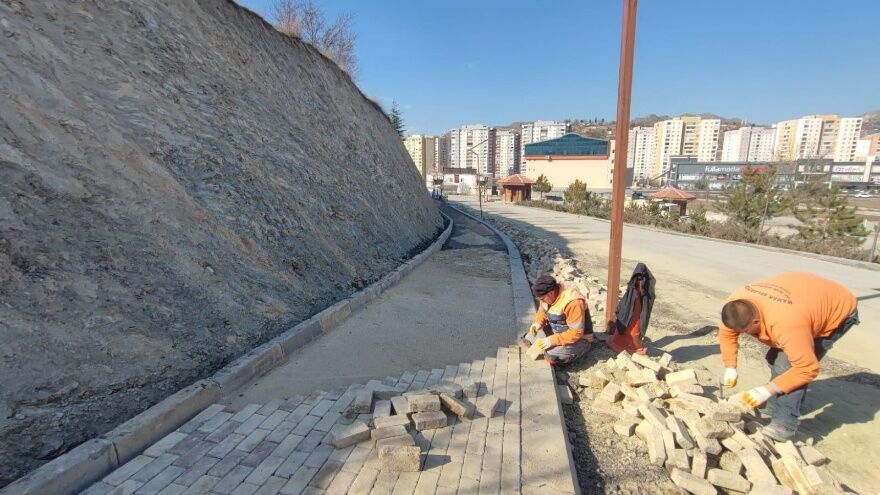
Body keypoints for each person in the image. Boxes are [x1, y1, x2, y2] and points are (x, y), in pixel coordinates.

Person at [718, 272, 859, 441]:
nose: (744, 334)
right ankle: (774, 405)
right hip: (804, 296)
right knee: (774, 359)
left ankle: (785, 424)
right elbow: (727, 334)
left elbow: (806, 369)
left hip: (837, 310)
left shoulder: (787, 324)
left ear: (756, 322)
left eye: (746, 331)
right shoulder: (735, 306)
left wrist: (766, 390)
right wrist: (730, 367)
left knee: (788, 368)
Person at [523, 274, 594, 365]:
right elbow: (542, 311)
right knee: (528, 339)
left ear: (551, 293)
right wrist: (538, 323)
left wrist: (552, 341)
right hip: (558, 331)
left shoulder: (573, 302)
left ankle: (583, 349)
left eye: (542, 299)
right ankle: (553, 345)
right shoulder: (546, 296)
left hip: (579, 339)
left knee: (551, 357)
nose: (542, 301)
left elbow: (576, 333)